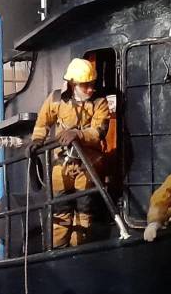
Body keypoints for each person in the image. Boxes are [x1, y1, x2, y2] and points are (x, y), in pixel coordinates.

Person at [26, 58, 111, 247]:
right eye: (85, 85)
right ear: (73, 84)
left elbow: (99, 131)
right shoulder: (56, 99)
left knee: (84, 213)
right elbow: (42, 122)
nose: (90, 89)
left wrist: (78, 134)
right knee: (60, 212)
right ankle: (58, 250)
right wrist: (37, 140)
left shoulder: (99, 102)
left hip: (86, 165)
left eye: (92, 84)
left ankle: (77, 250)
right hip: (61, 165)